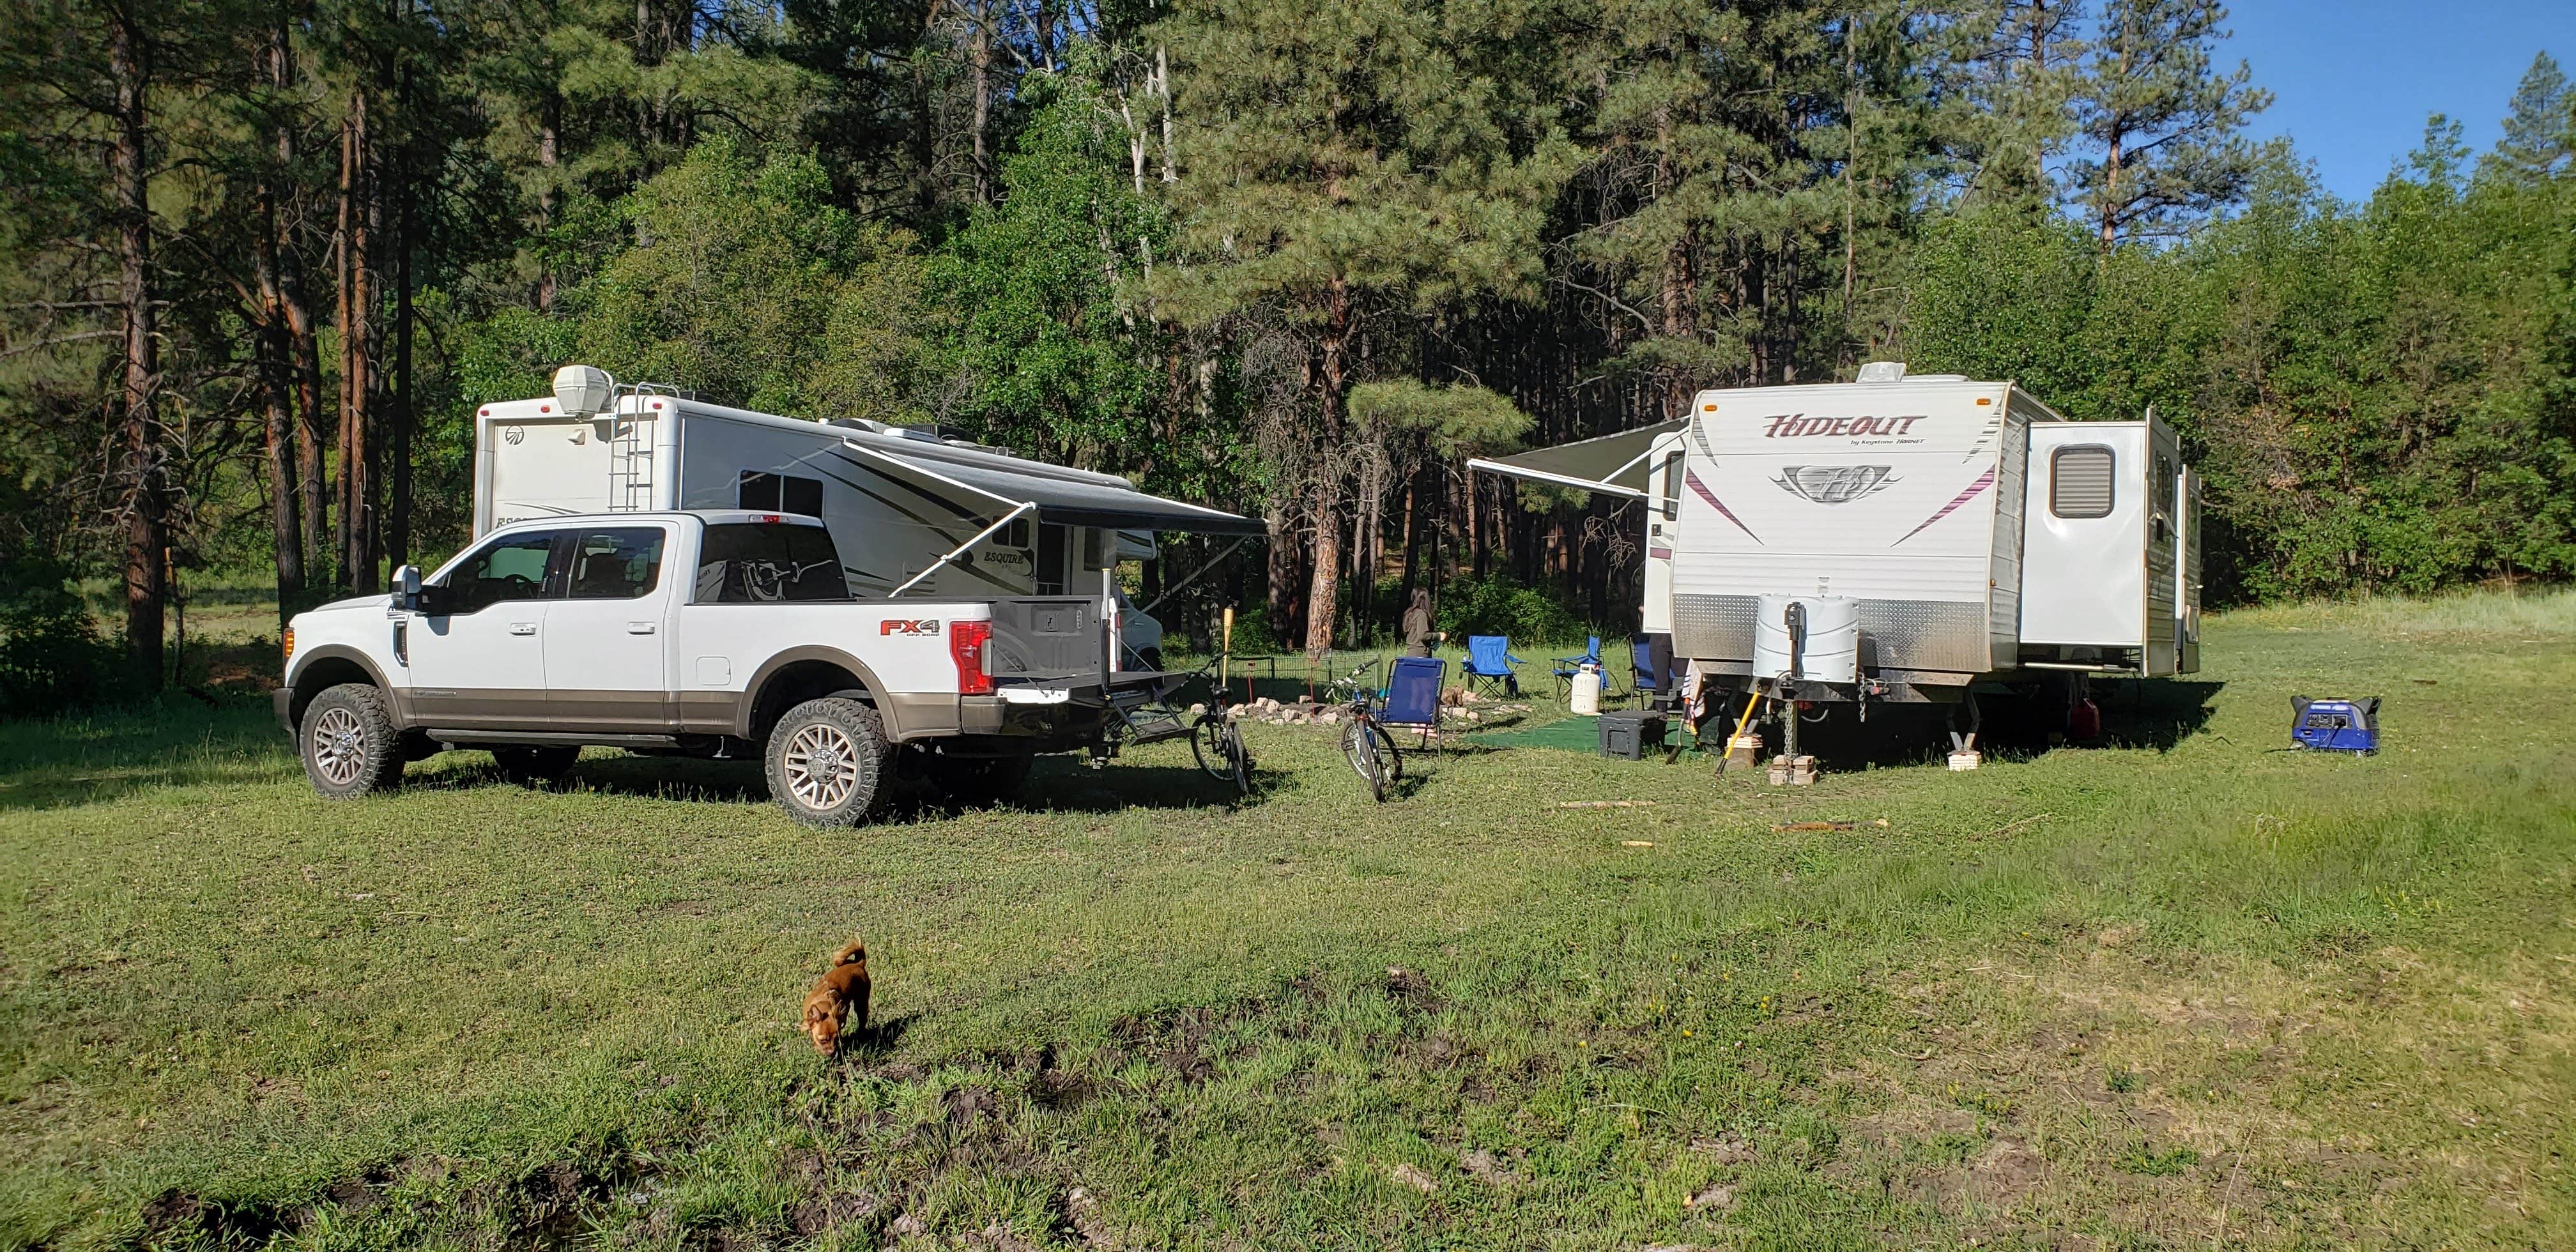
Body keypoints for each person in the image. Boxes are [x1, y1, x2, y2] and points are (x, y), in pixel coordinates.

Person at [1400, 588, 1443, 658]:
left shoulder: (1410, 613)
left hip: (1411, 653)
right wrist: (1439, 635)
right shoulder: (1422, 614)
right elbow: (1423, 635)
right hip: (1421, 654)